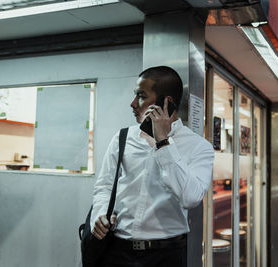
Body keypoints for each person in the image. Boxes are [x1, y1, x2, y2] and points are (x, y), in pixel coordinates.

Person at [90, 66, 214, 266]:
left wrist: (163, 143)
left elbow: (190, 197)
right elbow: (104, 186)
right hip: (117, 251)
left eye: (141, 96)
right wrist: (101, 213)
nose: (133, 104)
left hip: (167, 255)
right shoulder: (122, 138)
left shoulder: (199, 147)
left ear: (167, 102)